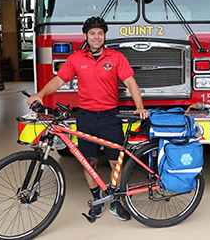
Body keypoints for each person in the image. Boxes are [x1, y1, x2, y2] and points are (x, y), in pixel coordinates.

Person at [27, 16, 149, 221]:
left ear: (104, 36)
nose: (96, 37)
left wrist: (140, 107)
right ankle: (97, 199)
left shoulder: (116, 57)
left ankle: (116, 202)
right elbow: (59, 80)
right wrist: (40, 94)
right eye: (92, 33)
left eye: (100, 33)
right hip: (86, 118)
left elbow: (130, 82)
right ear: (86, 36)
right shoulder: (76, 58)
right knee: (88, 163)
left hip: (110, 117)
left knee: (114, 162)